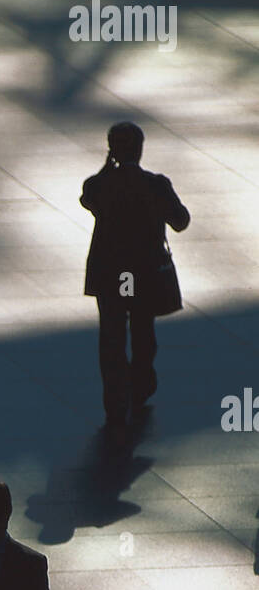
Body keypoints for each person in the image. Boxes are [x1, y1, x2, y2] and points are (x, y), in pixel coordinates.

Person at [81, 121, 190, 432]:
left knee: (112, 338)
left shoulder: (98, 185)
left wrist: (107, 167)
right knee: (143, 332)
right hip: (144, 274)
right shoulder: (156, 185)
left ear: (111, 150)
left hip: (109, 273)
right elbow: (180, 221)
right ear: (141, 149)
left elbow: (87, 198)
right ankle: (140, 386)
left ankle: (115, 401)